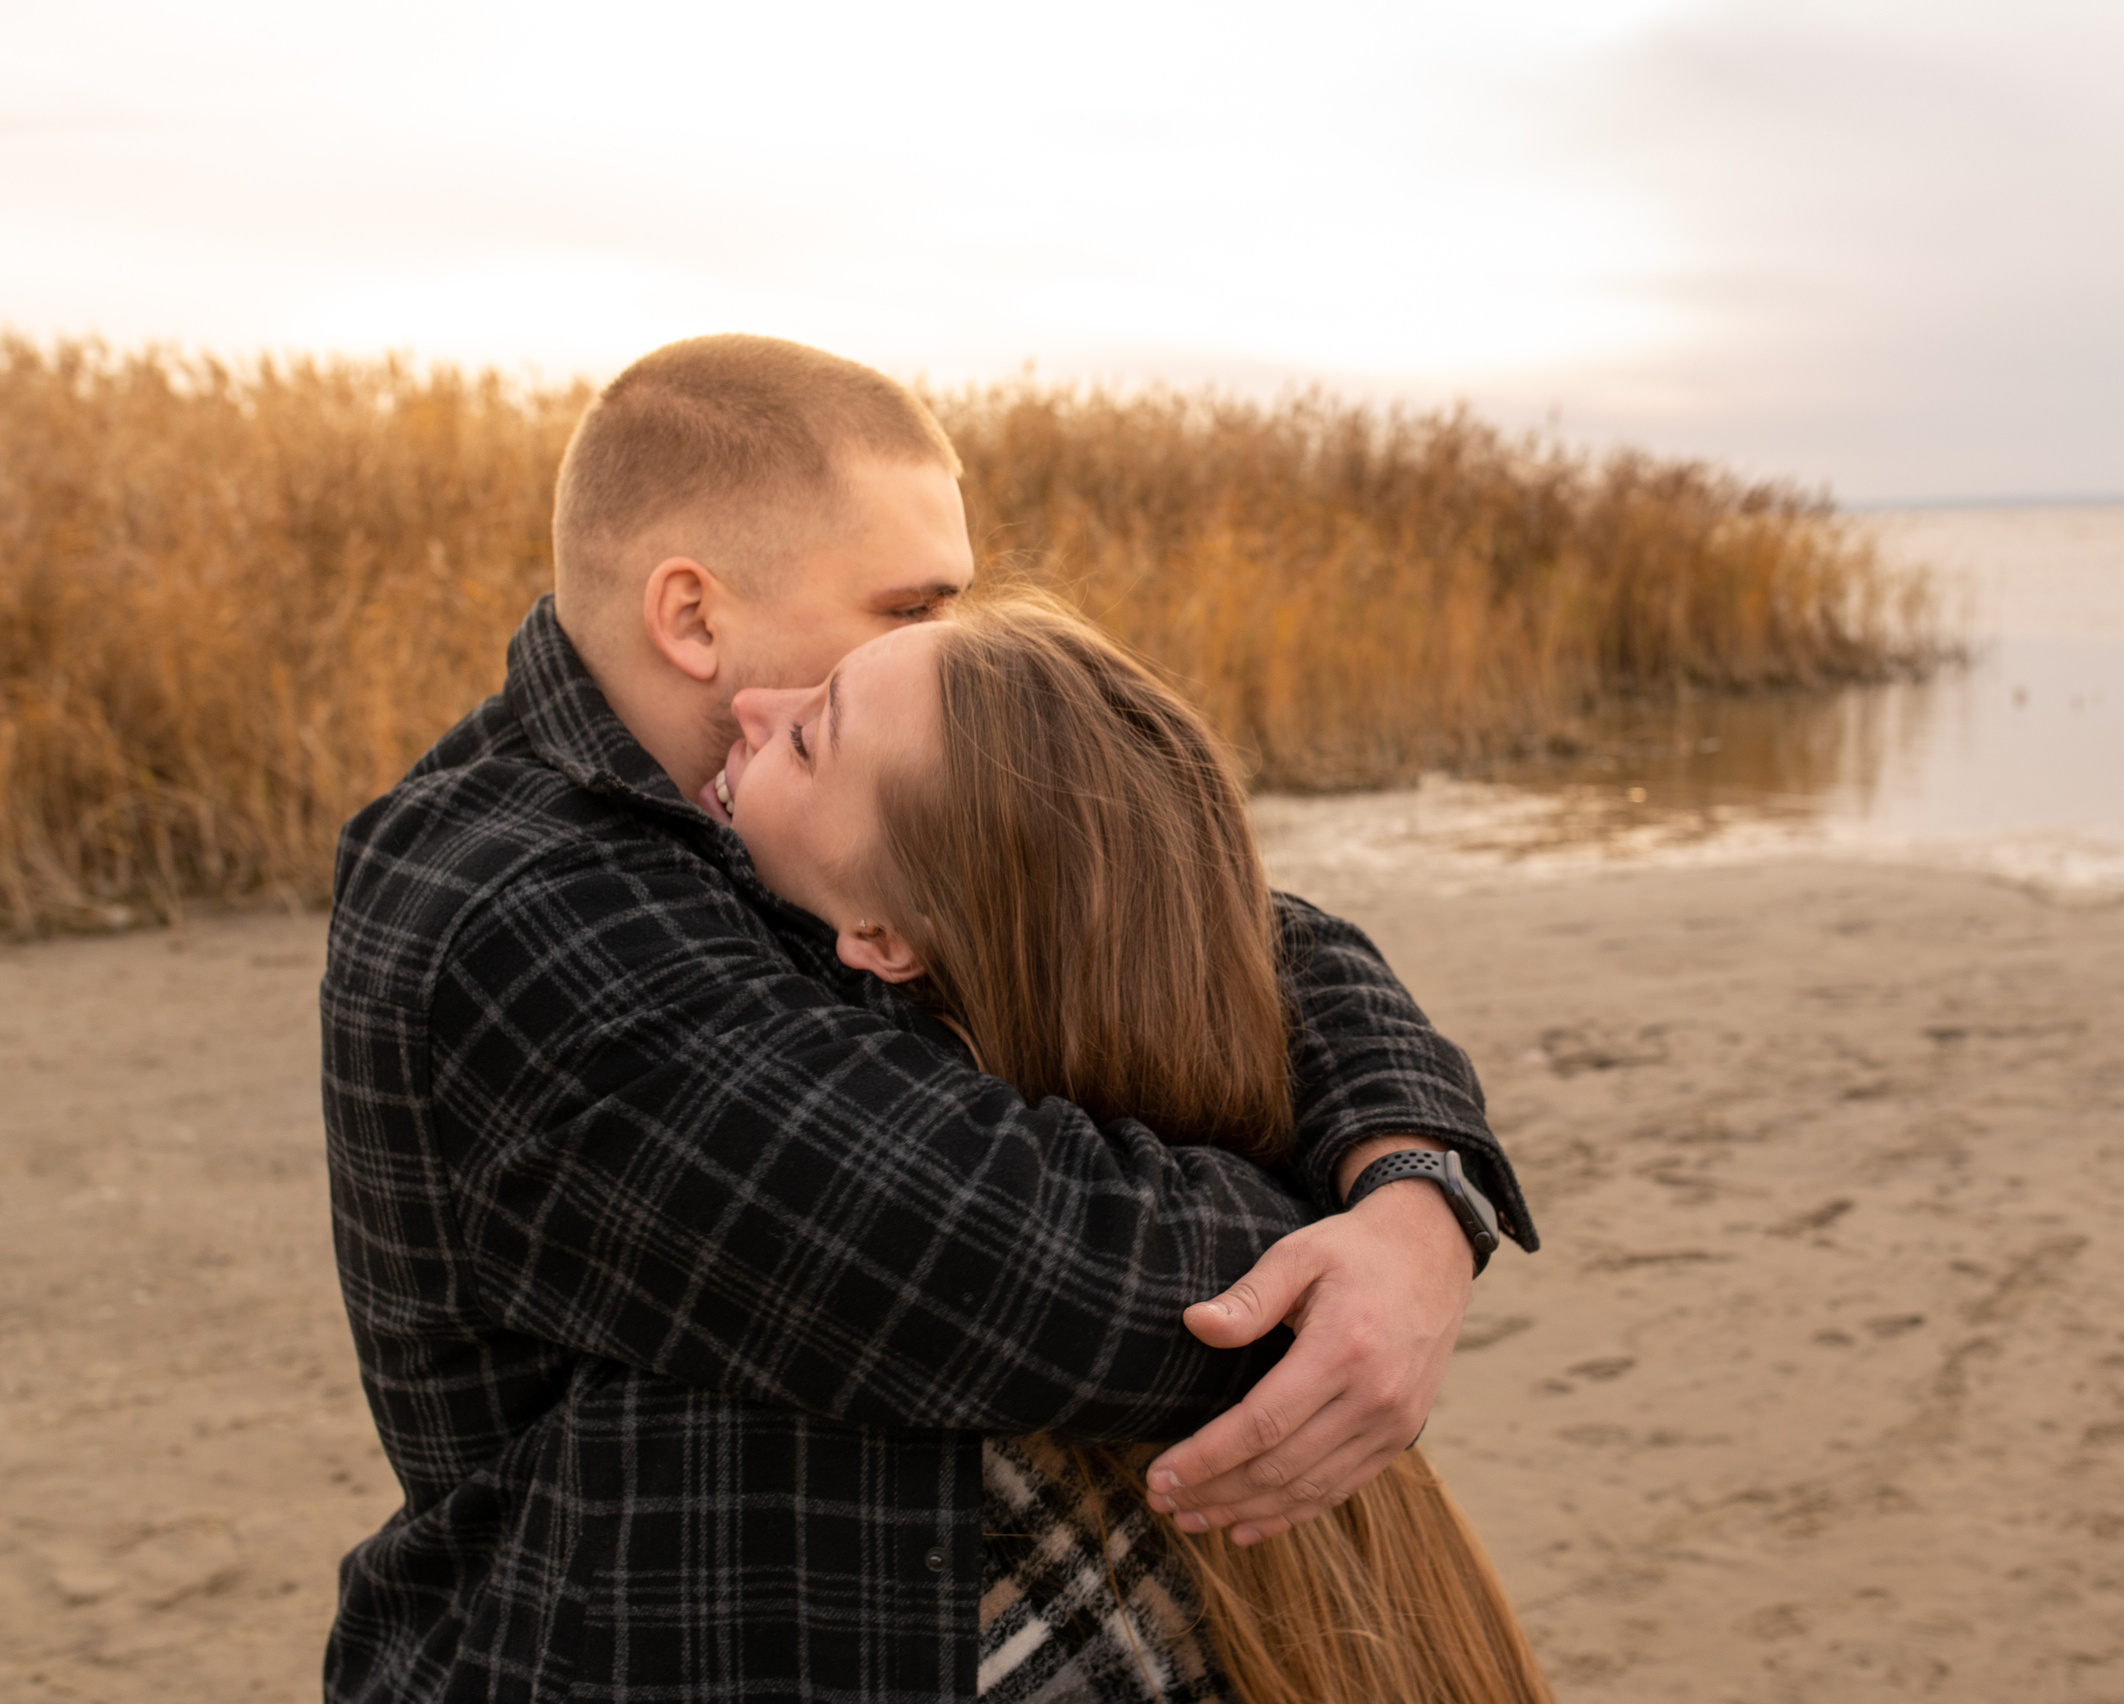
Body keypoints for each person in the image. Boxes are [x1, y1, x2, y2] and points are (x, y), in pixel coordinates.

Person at [319, 334, 1538, 1703]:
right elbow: (1007, 1255)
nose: (954, 649)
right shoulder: (511, 902)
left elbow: (1219, 927)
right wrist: (1333, 1268)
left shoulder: (805, 820)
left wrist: (1414, 1195)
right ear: (695, 618)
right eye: (910, 609)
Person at [713, 590, 1555, 1703]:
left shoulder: (1015, 1503)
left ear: (885, 939)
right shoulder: (1204, 1137)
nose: (750, 704)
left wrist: (1413, 1192)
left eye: (810, 735)